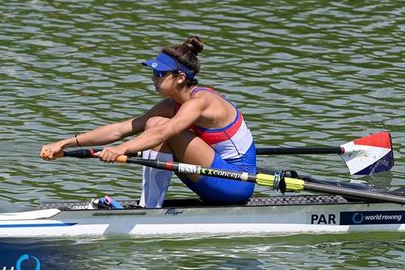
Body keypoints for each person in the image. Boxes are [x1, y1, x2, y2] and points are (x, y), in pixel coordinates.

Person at [40, 36, 256, 207]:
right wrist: (65, 143)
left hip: (236, 182)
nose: (153, 78)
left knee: (157, 125)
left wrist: (121, 150)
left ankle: (149, 209)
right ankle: (150, 207)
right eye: (153, 72)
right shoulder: (171, 105)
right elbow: (120, 129)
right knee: (153, 122)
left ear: (180, 77)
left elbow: (163, 133)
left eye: (159, 73)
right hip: (207, 177)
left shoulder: (202, 101)